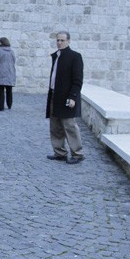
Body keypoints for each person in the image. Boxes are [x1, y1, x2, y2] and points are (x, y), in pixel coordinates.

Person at [46, 31, 85, 164]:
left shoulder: (75, 57)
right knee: (55, 126)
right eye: (58, 40)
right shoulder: (56, 56)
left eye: (62, 40)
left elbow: (78, 80)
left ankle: (77, 153)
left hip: (67, 97)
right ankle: (60, 152)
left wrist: (73, 96)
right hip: (54, 95)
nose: (59, 43)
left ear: (68, 41)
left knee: (70, 126)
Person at [0, 37, 16, 111]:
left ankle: (1, 106)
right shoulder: (11, 51)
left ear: (1, 42)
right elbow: (14, 60)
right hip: (10, 71)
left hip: (0, 71)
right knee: (9, 89)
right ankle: (9, 104)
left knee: (1, 89)